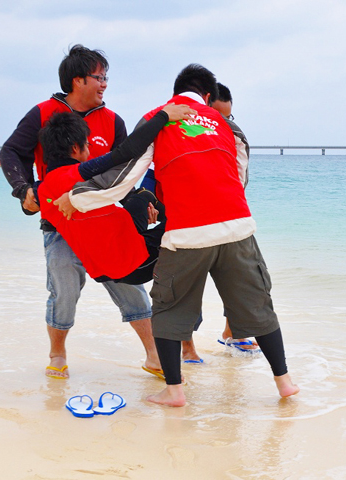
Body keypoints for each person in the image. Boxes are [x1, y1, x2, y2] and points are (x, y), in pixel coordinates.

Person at [56, 64, 300, 406]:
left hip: (186, 233)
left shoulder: (159, 118)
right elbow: (240, 170)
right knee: (259, 305)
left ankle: (174, 392)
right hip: (237, 227)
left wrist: (78, 197)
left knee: (169, 310)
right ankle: (285, 382)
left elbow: (124, 173)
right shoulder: (227, 124)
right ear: (208, 97)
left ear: (176, 92)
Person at [0, 44, 160, 380]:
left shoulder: (112, 120)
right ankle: (57, 354)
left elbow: (125, 171)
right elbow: (12, 151)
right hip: (60, 222)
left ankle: (154, 356)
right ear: (78, 81)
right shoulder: (43, 113)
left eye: (105, 78)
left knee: (129, 283)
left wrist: (143, 202)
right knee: (64, 288)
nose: (104, 84)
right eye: (98, 78)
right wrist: (24, 189)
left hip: (103, 221)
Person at [37, 106, 194, 284]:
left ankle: (160, 214)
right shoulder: (78, 173)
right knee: (190, 221)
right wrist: (163, 117)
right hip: (136, 264)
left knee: (143, 196)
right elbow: (125, 153)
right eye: (87, 144)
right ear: (75, 148)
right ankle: (172, 220)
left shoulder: (42, 190)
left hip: (103, 267)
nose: (89, 148)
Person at [210, 82, 260, 354]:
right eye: (218, 118)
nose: (224, 125)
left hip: (227, 218)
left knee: (239, 277)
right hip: (190, 220)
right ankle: (186, 348)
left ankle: (233, 332)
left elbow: (241, 180)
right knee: (186, 288)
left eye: (228, 118)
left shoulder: (233, 139)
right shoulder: (181, 134)